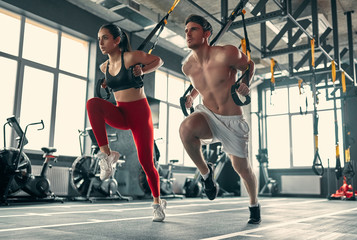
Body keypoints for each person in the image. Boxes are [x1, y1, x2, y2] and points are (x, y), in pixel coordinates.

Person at [179, 15, 261, 224]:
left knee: (242, 168)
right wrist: (192, 96)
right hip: (208, 115)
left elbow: (249, 65)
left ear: (206, 34)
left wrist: (245, 82)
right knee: (186, 129)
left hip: (232, 120)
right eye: (186, 30)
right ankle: (207, 175)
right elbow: (203, 84)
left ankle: (254, 203)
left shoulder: (227, 53)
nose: (188, 33)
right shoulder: (187, 67)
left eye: (194, 29)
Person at [86, 23, 166, 222]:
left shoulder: (131, 57)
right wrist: (106, 83)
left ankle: (157, 202)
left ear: (117, 40)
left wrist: (143, 71)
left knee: (147, 163)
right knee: (93, 104)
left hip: (140, 115)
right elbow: (113, 83)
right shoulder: (104, 67)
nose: (101, 43)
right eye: (99, 38)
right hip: (121, 113)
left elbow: (158, 61)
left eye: (105, 38)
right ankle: (108, 154)